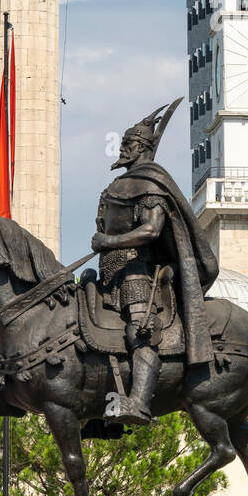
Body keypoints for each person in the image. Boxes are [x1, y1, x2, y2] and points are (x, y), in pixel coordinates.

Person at [89, 98, 218, 424]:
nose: (123, 149)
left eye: (129, 144)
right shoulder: (119, 183)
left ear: (143, 148)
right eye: (122, 143)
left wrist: (110, 241)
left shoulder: (150, 184)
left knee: (140, 330)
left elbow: (151, 229)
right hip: (109, 270)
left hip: (138, 271)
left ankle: (139, 402)